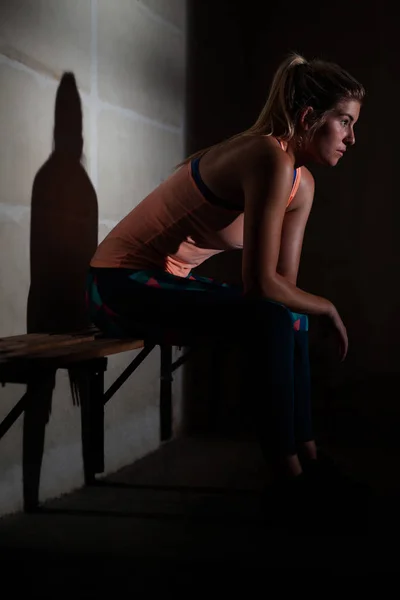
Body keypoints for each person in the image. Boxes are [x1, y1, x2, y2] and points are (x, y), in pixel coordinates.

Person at [86, 52, 364, 492]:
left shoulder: (300, 184)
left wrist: (307, 308)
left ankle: (309, 459)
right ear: (310, 117)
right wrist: (327, 306)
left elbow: (281, 286)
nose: (352, 137)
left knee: (289, 315)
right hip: (116, 285)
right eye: (345, 121)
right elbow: (260, 285)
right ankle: (289, 478)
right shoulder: (265, 157)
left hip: (165, 285)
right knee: (276, 315)